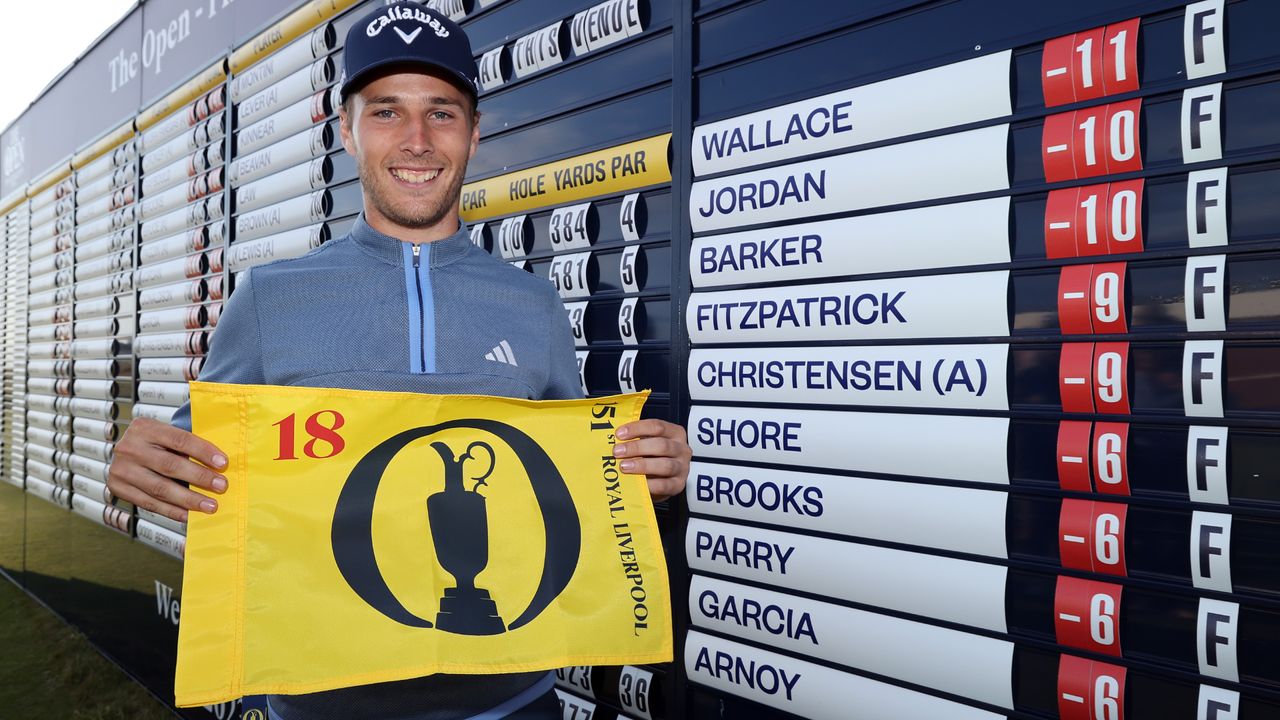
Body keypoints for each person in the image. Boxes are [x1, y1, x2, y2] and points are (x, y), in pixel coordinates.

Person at [107, 3, 691, 718]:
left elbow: (560, 491)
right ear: (346, 132)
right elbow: (203, 477)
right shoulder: (268, 298)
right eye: (386, 112)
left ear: (475, 134)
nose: (416, 140)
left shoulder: (535, 307)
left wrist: (642, 482)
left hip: (515, 704)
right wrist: (144, 464)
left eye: (441, 113)